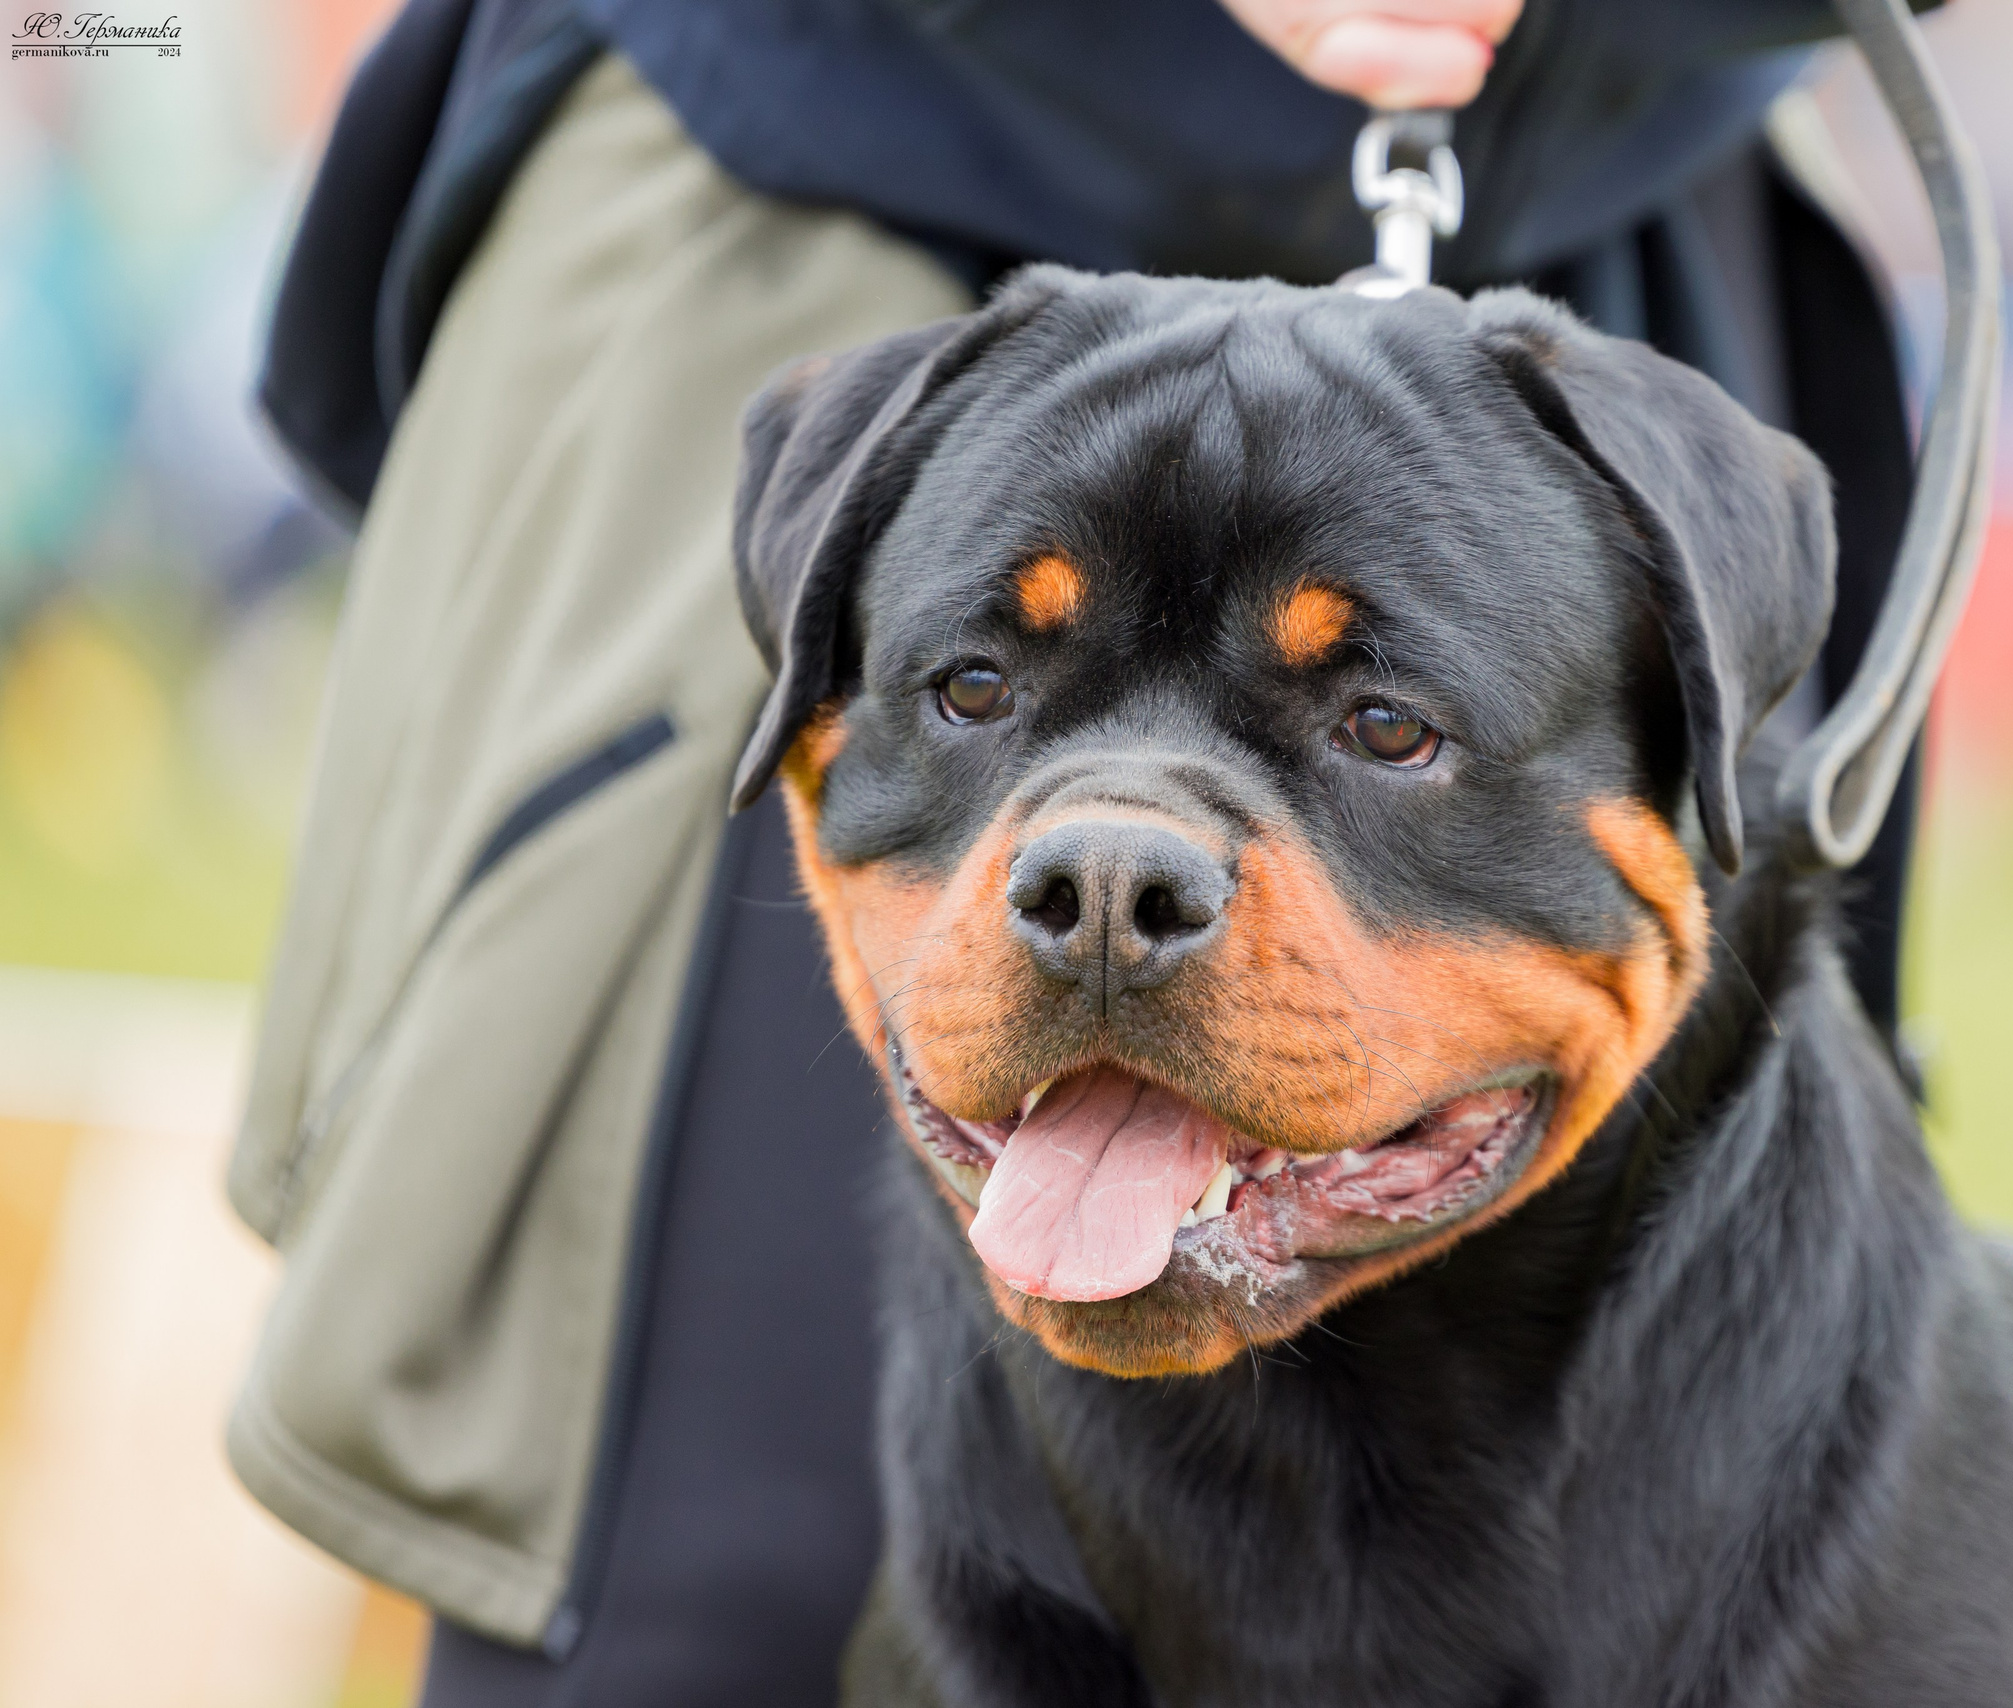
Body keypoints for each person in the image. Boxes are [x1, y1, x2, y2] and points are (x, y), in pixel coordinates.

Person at [231, 1, 1925, 1700]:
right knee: (708, 1619)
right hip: (818, 148)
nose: (1112, 872)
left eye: (1382, 722)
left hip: (1623, 167)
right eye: (978, 687)